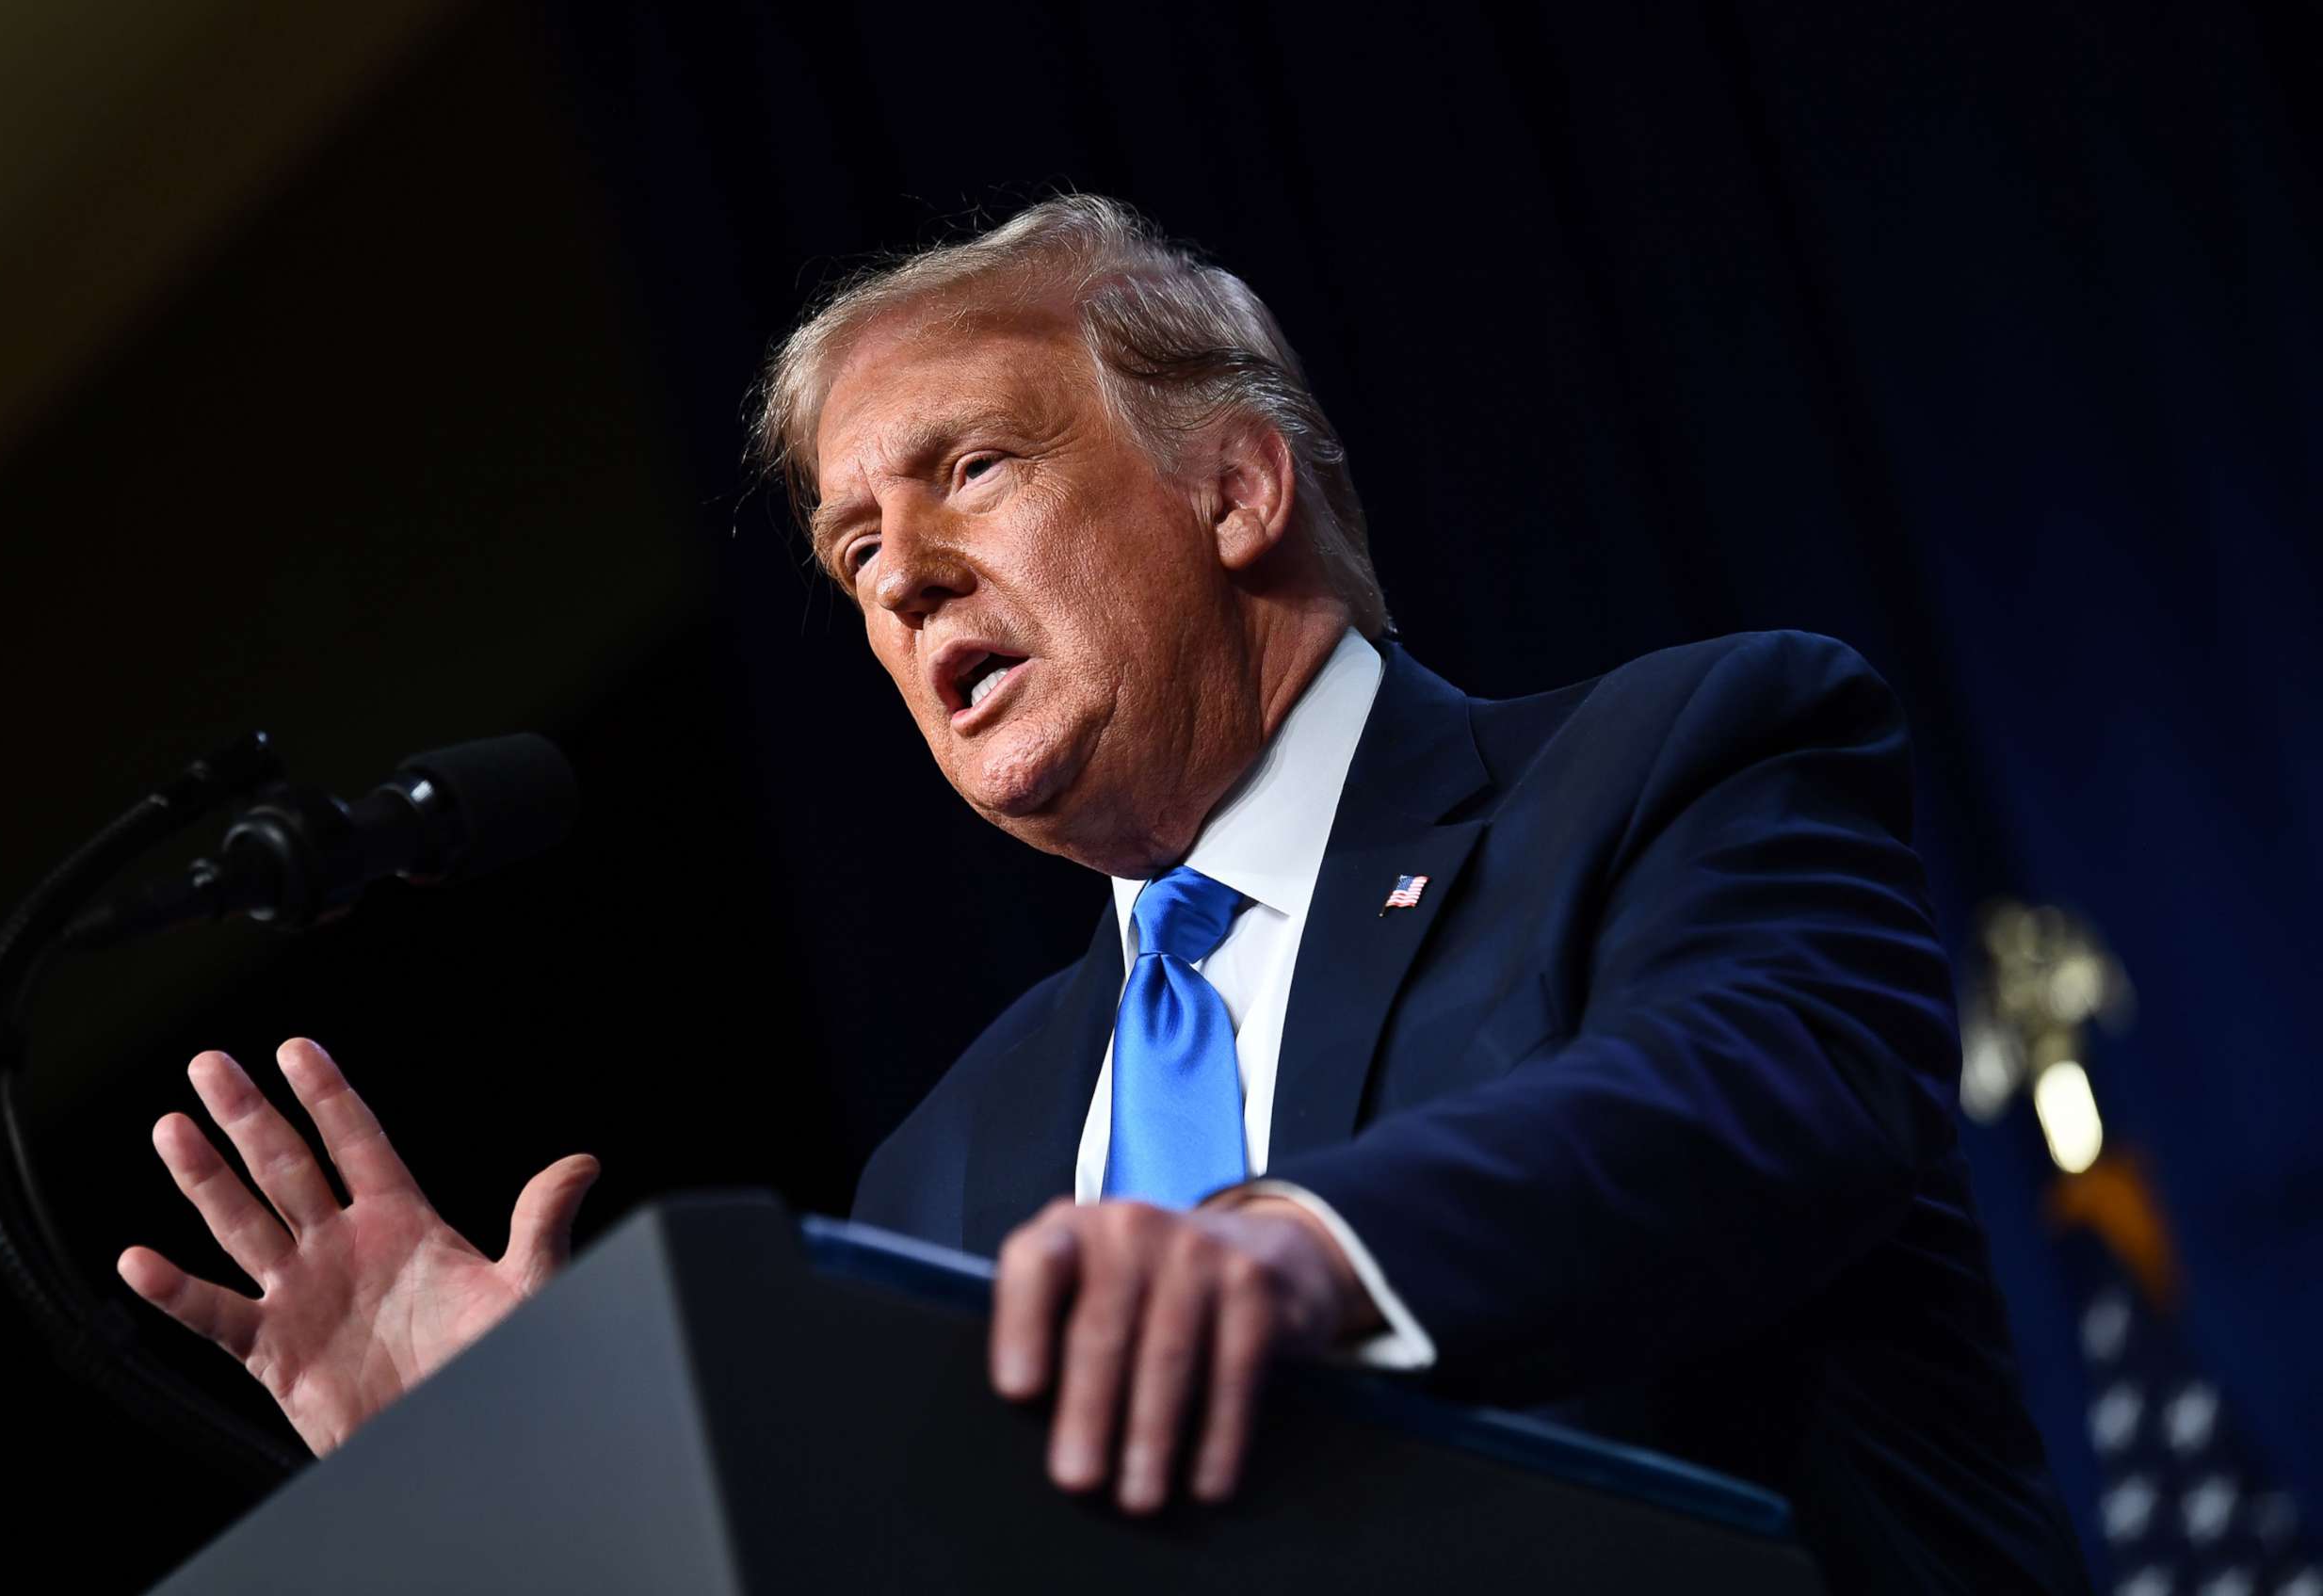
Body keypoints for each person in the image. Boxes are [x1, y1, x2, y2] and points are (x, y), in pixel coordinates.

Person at [119, 196, 2089, 1593]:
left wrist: (1292, 1255)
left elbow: (1760, 1095)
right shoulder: (947, 1168)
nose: (893, 580)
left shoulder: (1675, 765)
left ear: (1236, 487)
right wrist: (546, 1502)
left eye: (966, 468)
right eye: (850, 549)